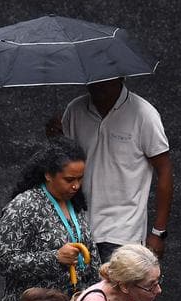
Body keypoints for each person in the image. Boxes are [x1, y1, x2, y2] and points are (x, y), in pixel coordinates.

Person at [0, 138, 96, 301]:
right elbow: (5, 262)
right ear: (48, 174)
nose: (76, 186)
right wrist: (54, 258)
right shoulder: (23, 206)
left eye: (80, 179)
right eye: (69, 179)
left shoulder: (74, 202)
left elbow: (90, 250)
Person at [61, 77, 172, 262]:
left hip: (125, 234)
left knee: (119, 291)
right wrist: (55, 136)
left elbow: (165, 169)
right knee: (80, 292)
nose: (98, 83)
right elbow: (63, 163)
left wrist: (158, 232)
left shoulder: (143, 114)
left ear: (121, 76)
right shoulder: (75, 111)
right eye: (94, 77)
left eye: (106, 78)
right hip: (79, 230)